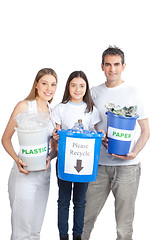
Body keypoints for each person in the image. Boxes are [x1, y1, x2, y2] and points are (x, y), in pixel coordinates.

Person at [82, 46, 150, 240]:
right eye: (108, 64)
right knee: (85, 220)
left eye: (116, 64)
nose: (112, 69)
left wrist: (134, 153)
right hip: (99, 166)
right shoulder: (93, 93)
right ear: (102, 67)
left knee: (124, 226)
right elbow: (87, 125)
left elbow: (145, 131)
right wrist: (97, 135)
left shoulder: (134, 93)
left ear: (123, 66)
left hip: (128, 168)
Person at [1, 68, 58, 240]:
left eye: (53, 84)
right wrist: (17, 160)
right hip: (24, 174)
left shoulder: (52, 112)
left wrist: (50, 156)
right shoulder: (24, 106)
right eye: (44, 83)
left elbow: (53, 149)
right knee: (22, 231)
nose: (49, 88)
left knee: (35, 230)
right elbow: (5, 139)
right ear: (36, 84)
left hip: (43, 175)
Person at [52, 71, 101, 240]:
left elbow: (93, 132)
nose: (77, 89)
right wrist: (56, 136)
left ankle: (78, 236)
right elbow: (56, 132)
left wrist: (98, 134)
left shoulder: (91, 109)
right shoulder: (60, 108)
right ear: (68, 87)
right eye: (73, 85)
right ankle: (63, 236)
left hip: (84, 163)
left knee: (80, 202)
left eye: (82, 86)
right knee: (63, 201)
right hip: (65, 160)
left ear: (86, 88)